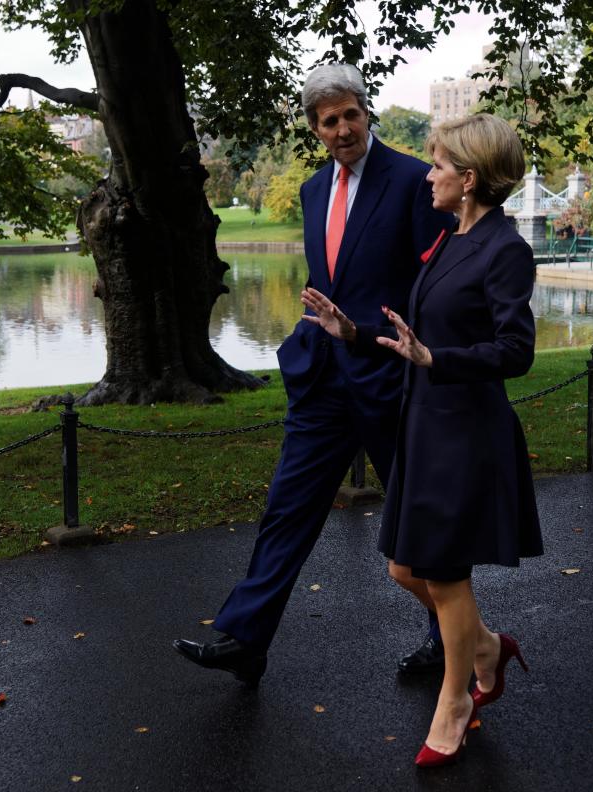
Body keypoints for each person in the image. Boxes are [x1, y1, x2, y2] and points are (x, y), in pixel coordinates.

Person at [172, 64, 452, 686]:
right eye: (330, 121)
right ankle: (246, 638)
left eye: (352, 114)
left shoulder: (413, 180)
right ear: (316, 129)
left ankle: (451, 643)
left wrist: (396, 346)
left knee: (417, 517)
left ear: (366, 113)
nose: (344, 127)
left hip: (390, 380)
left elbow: (435, 287)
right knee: (287, 508)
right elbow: (330, 280)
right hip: (323, 381)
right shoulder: (311, 191)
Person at [301, 113, 543, 767]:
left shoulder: (504, 248)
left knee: (444, 575)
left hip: (466, 432)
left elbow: (516, 350)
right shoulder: (453, 237)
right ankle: (488, 648)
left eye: (438, 166)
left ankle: (456, 699)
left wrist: (439, 359)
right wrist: (351, 331)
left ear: (468, 180)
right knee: (406, 569)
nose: (427, 174)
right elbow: (419, 336)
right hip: (426, 426)